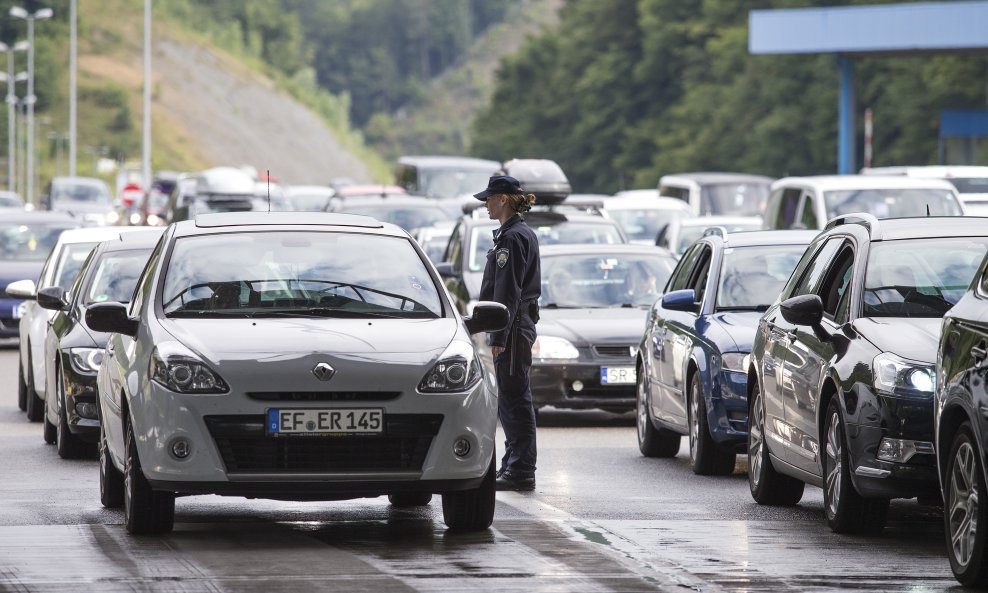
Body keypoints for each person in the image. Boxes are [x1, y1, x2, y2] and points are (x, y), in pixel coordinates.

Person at [474, 175, 541, 492]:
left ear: (502, 199)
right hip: (514, 326)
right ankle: (513, 464)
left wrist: (498, 336)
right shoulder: (512, 234)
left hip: (512, 328)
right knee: (512, 398)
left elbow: (507, 292)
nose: (485, 204)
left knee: (514, 399)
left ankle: (521, 469)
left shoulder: (512, 238)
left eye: (489, 198)